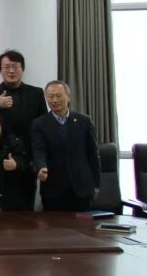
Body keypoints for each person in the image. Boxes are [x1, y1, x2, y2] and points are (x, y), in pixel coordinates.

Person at [0, 50, 47, 205]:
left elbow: (42, 127)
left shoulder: (36, 93)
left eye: (15, 66)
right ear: (0, 70)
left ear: (22, 69)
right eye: (7, 67)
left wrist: (38, 160)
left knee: (25, 208)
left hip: (26, 161)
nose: (11, 71)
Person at [31, 81, 101, 212]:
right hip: (53, 189)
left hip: (81, 188)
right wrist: (41, 167)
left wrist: (96, 184)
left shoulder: (84, 121)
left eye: (58, 96)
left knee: (82, 225)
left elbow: (93, 154)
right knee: (54, 224)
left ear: (68, 97)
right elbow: (39, 150)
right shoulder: (39, 123)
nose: (54, 100)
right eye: (50, 96)